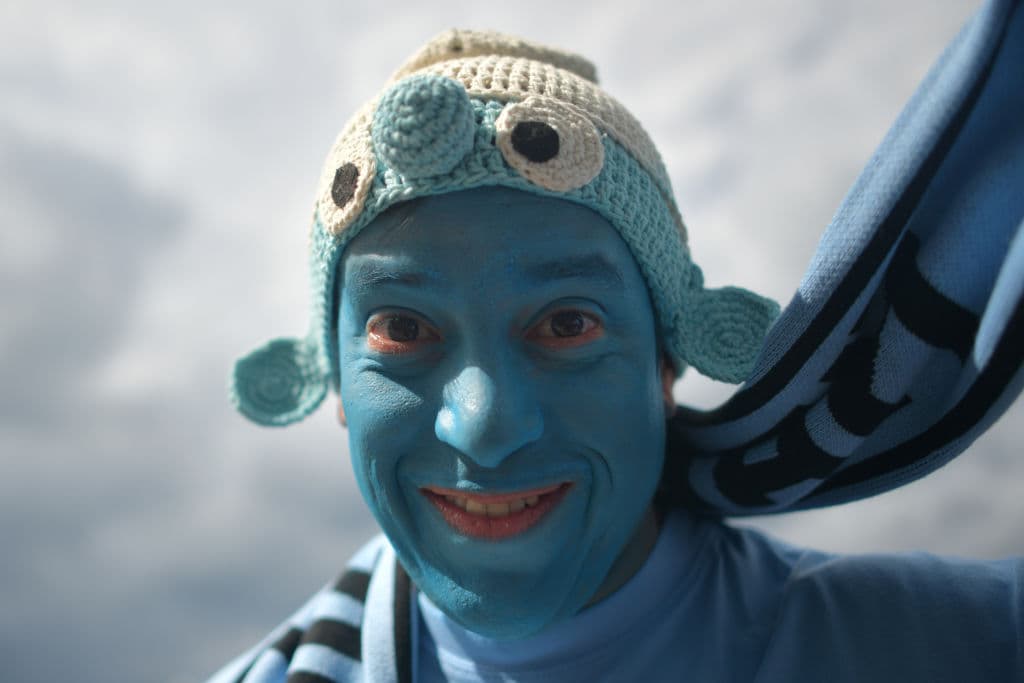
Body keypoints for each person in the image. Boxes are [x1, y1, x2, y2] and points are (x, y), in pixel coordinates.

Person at [210, 5, 1024, 681]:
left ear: (666, 362)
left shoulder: (955, 647)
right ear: (339, 387)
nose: (484, 426)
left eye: (567, 324)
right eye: (405, 328)